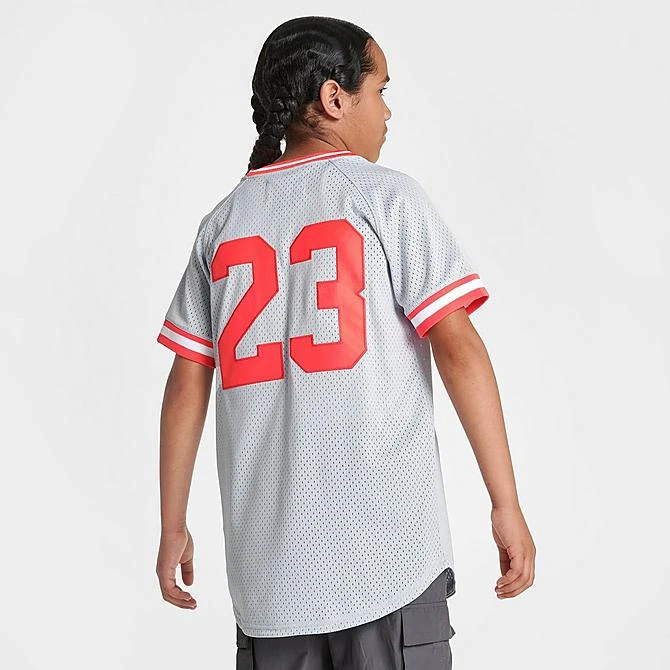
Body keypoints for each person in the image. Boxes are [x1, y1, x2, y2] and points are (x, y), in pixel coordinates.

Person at [155, 15, 536, 670]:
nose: (387, 112)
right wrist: (505, 502)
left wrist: (172, 524)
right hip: (388, 562)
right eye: (380, 90)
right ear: (335, 98)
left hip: (270, 583)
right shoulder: (386, 198)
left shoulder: (222, 223)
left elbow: (188, 377)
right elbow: (459, 346)